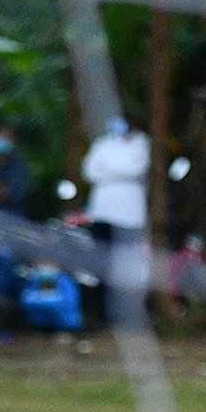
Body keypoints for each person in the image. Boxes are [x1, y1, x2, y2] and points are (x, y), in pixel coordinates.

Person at [81, 114, 151, 326]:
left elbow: (138, 170)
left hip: (131, 215)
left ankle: (127, 313)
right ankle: (102, 314)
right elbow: (90, 172)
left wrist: (108, 170)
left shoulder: (144, 143)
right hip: (102, 212)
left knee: (127, 266)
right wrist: (120, 171)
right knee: (102, 262)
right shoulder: (103, 143)